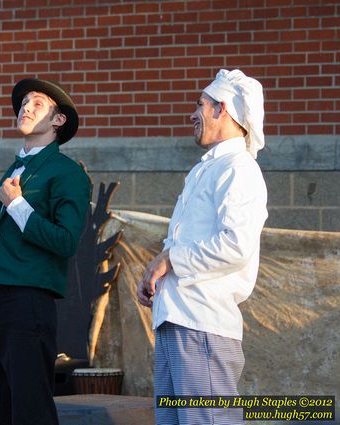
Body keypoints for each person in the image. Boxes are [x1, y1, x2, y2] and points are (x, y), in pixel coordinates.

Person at [137, 69, 268, 425]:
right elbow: (188, 241)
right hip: (177, 321)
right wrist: (158, 273)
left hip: (202, 325)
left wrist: (170, 260)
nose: (193, 113)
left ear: (222, 109)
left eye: (201, 104)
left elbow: (235, 244)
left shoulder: (239, 169)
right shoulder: (206, 170)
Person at [0, 78, 91, 425]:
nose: (26, 108)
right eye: (24, 103)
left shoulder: (65, 172)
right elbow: (18, 237)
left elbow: (65, 241)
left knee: (30, 409)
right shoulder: (16, 167)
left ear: (58, 120)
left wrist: (17, 205)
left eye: (37, 104)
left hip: (30, 303)